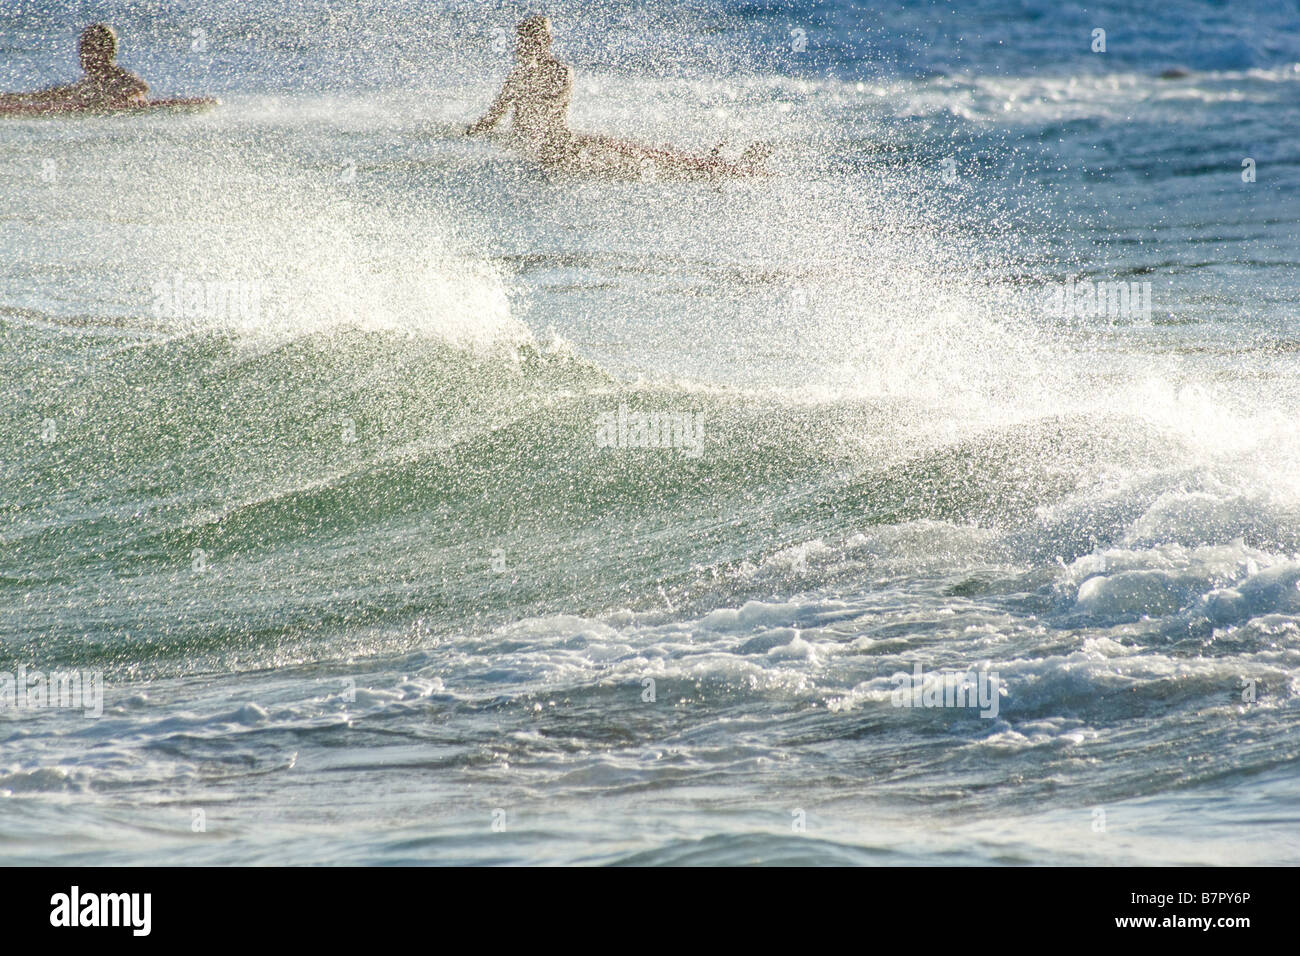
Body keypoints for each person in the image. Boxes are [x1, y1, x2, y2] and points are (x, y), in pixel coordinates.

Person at [466, 16, 769, 179]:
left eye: (539, 38)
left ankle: (722, 165)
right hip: (555, 157)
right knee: (646, 159)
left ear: (544, 42)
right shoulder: (517, 77)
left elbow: (550, 103)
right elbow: (491, 119)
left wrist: (523, 88)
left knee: (648, 158)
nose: (531, 44)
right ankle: (714, 164)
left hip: (570, 149)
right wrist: (467, 133)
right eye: (527, 39)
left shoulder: (558, 72)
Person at [0, 24, 149, 114]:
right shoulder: (88, 83)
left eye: (90, 49)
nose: (84, 56)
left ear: (108, 51)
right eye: (82, 49)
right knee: (52, 93)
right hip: (83, 101)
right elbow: (67, 94)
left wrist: (125, 97)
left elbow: (140, 90)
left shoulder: (123, 78)